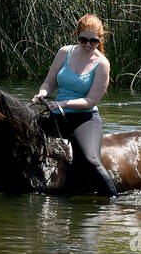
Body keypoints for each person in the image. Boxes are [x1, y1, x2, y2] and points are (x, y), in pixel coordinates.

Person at [32, 14, 119, 196]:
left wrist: (62, 103)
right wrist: (42, 94)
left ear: (100, 39)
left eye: (93, 41)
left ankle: (113, 199)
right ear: (77, 35)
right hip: (57, 115)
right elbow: (48, 83)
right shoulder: (65, 52)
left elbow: (91, 101)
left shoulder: (102, 64)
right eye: (83, 40)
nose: (88, 45)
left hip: (85, 118)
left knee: (90, 159)